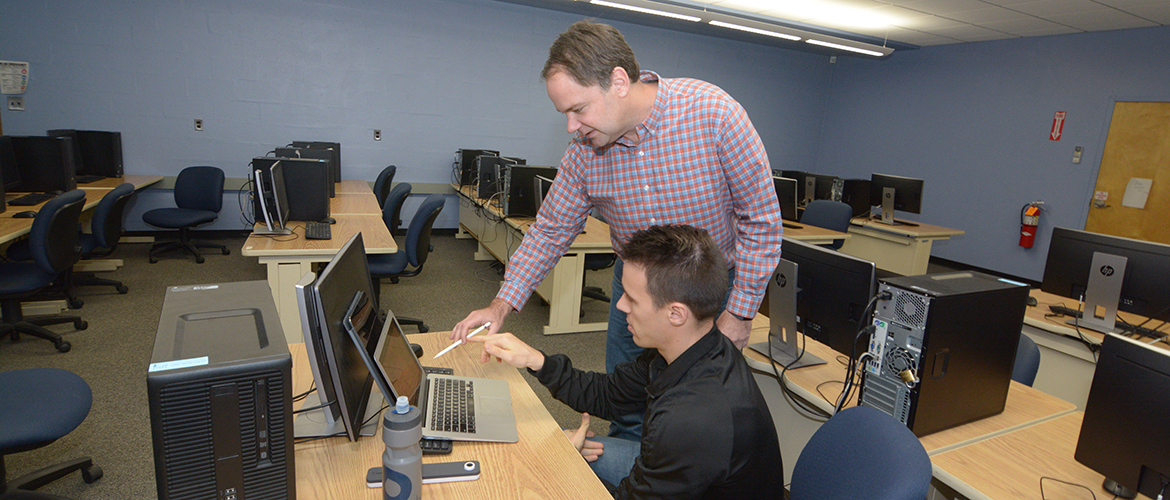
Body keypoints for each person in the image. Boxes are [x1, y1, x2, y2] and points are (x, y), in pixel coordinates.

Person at [453, 20, 783, 440]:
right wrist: (500, 306)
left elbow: (761, 219)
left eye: (579, 109)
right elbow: (550, 231)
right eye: (565, 114)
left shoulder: (714, 113)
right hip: (634, 286)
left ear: (619, 81)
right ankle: (629, 461)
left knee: (697, 412)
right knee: (625, 398)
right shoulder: (584, 152)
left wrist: (739, 313)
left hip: (712, 291)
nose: (572, 127)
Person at [469, 225, 783, 499]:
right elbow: (607, 394)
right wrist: (535, 360)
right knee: (553, 449)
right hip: (680, 473)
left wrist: (561, 464)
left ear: (676, 314)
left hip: (680, 464)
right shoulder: (690, 347)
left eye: (631, 298)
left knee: (540, 468)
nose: (619, 305)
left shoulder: (691, 419)